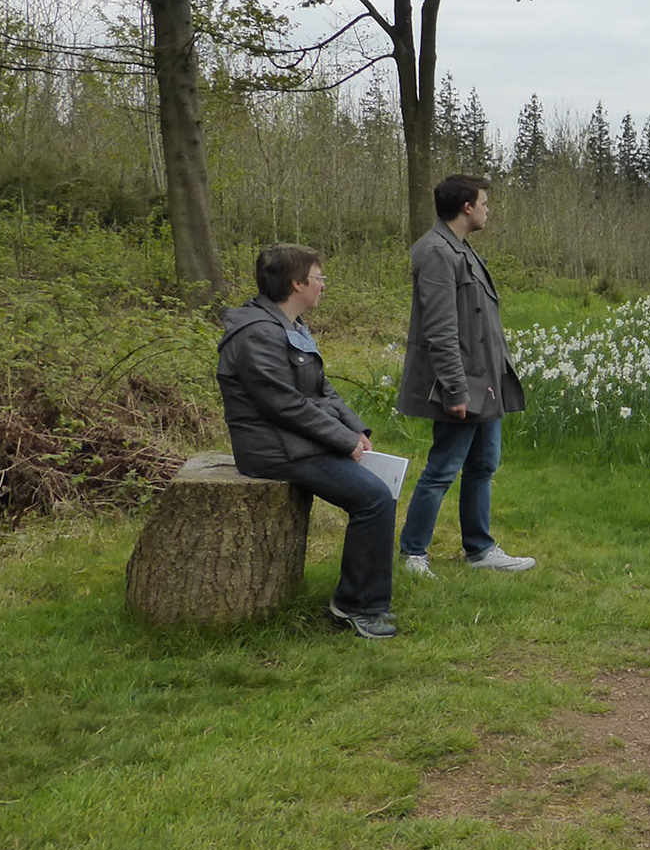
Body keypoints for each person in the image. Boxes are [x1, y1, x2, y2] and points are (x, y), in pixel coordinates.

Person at [218, 245, 397, 639]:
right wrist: (340, 440)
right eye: (319, 278)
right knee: (374, 498)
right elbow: (283, 404)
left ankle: (363, 599)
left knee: (380, 490)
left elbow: (320, 387)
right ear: (297, 283)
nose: (323, 286)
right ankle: (357, 607)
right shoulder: (256, 334)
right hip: (273, 449)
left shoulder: (290, 325)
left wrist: (356, 430)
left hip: (296, 440)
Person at [396, 173, 534, 576]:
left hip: (486, 381)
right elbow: (440, 329)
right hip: (464, 384)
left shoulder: (461, 249)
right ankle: (413, 554)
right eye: (485, 203)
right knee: (443, 468)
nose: (489, 210)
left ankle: (480, 550)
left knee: (483, 466)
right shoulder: (437, 252)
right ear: (467, 207)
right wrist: (455, 389)